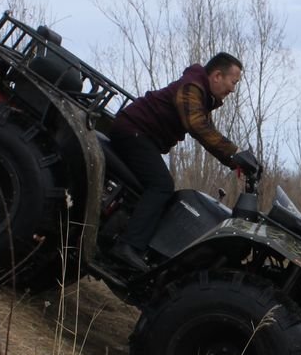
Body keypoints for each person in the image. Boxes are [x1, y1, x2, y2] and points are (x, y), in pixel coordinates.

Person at [106, 52, 262, 271]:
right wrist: (236, 153)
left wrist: (235, 161)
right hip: (134, 131)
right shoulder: (192, 88)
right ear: (217, 75)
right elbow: (197, 126)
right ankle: (127, 247)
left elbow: (210, 135)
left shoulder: (201, 94)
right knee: (161, 186)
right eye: (233, 81)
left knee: (152, 188)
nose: (233, 89)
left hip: (142, 136)